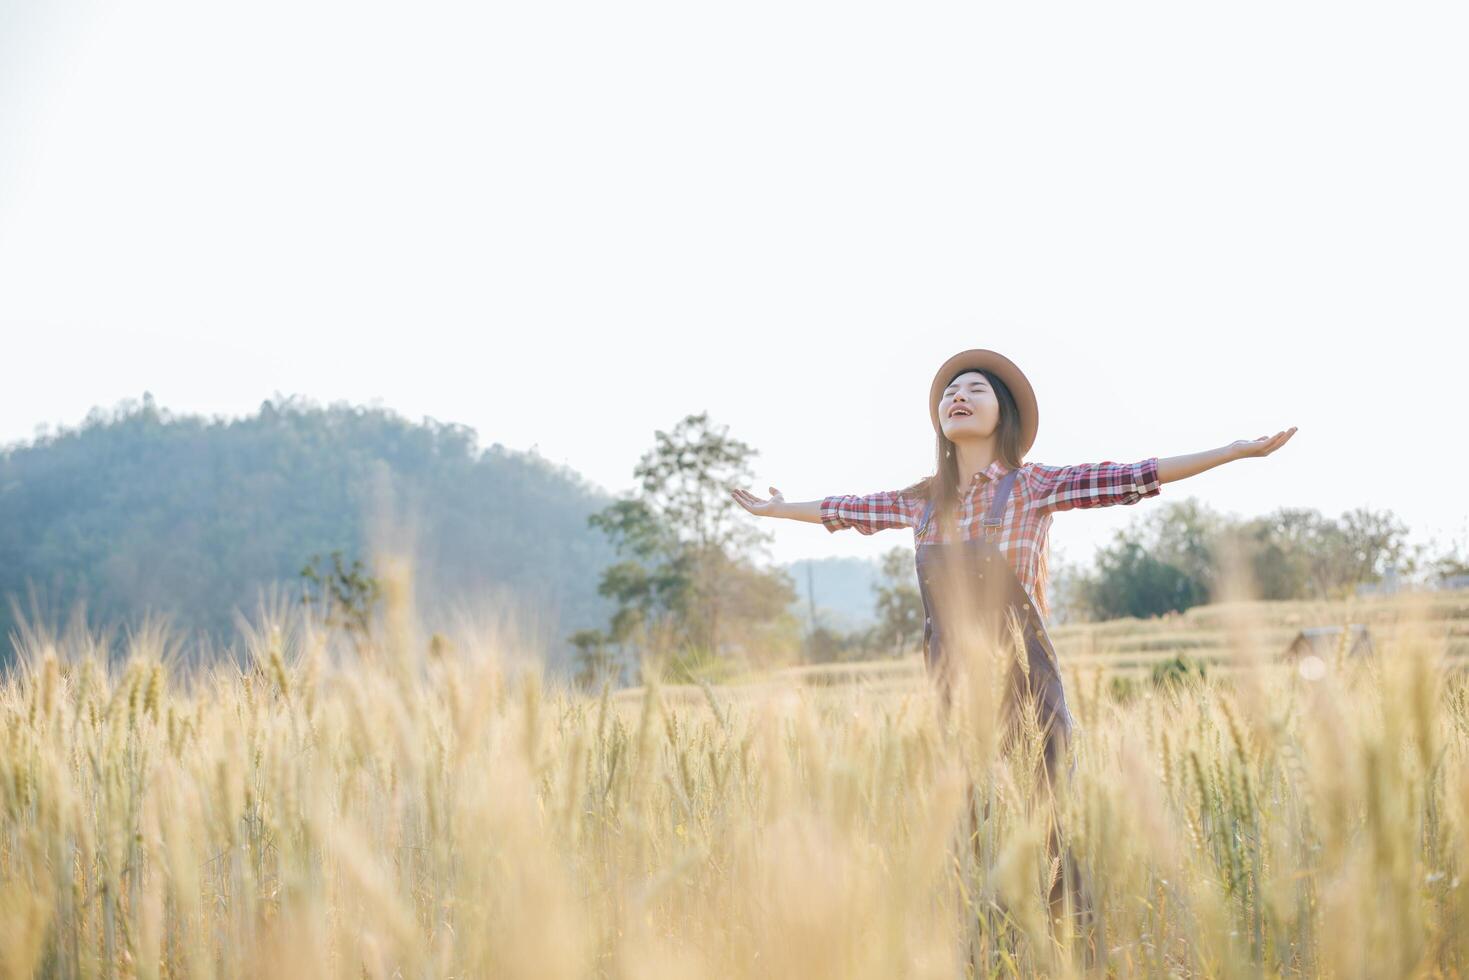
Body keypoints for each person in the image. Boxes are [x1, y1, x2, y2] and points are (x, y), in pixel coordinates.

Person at [730, 347, 1297, 945]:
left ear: (1004, 414)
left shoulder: (1033, 486)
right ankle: (983, 953)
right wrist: (777, 510)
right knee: (967, 839)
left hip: (1029, 690)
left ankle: (1075, 952)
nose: (958, 395)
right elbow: (844, 510)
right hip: (955, 693)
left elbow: (1134, 475)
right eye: (950, 391)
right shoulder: (921, 501)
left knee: (1048, 831)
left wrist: (1232, 453)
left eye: (974, 388)